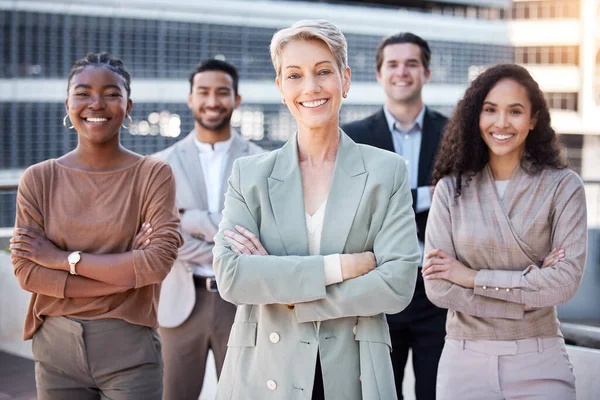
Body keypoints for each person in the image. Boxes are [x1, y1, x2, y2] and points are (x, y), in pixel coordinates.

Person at [210, 19, 420, 400]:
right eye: (294, 75)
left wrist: (284, 289)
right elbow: (231, 276)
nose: (310, 87)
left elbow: (396, 284)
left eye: (323, 71)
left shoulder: (386, 171)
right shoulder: (250, 174)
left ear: (346, 79)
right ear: (280, 87)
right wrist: (338, 268)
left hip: (352, 368)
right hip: (264, 370)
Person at [9, 52, 183, 400]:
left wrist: (60, 258)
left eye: (111, 93)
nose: (96, 103)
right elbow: (28, 271)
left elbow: (156, 264)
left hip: (130, 353)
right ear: (68, 103)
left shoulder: (152, 175)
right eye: (83, 92)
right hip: (55, 353)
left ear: (128, 105)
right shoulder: (39, 179)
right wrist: (123, 277)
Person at [422, 64, 586, 400]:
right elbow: (438, 287)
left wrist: (470, 276)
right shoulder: (450, 189)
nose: (501, 123)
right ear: (475, 117)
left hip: (540, 360)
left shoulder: (564, 187)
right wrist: (527, 289)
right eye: (490, 110)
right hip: (465, 361)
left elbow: (564, 283)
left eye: (515, 111)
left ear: (533, 119)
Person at [342, 32, 447, 400]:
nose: (402, 72)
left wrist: (395, 200)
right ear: (379, 73)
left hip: (439, 287)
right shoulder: (353, 137)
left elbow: (460, 200)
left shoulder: (453, 134)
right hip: (379, 285)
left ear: (427, 73)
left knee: (437, 391)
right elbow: (356, 210)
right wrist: (426, 196)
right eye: (393, 64)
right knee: (381, 392)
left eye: (412, 64)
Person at [154, 59, 263, 400]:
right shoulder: (161, 164)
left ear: (236, 100)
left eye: (222, 92)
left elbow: (261, 236)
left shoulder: (262, 162)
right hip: (179, 302)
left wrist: (193, 220)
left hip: (241, 304)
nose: (212, 101)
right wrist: (228, 243)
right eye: (203, 92)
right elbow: (164, 239)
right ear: (190, 98)